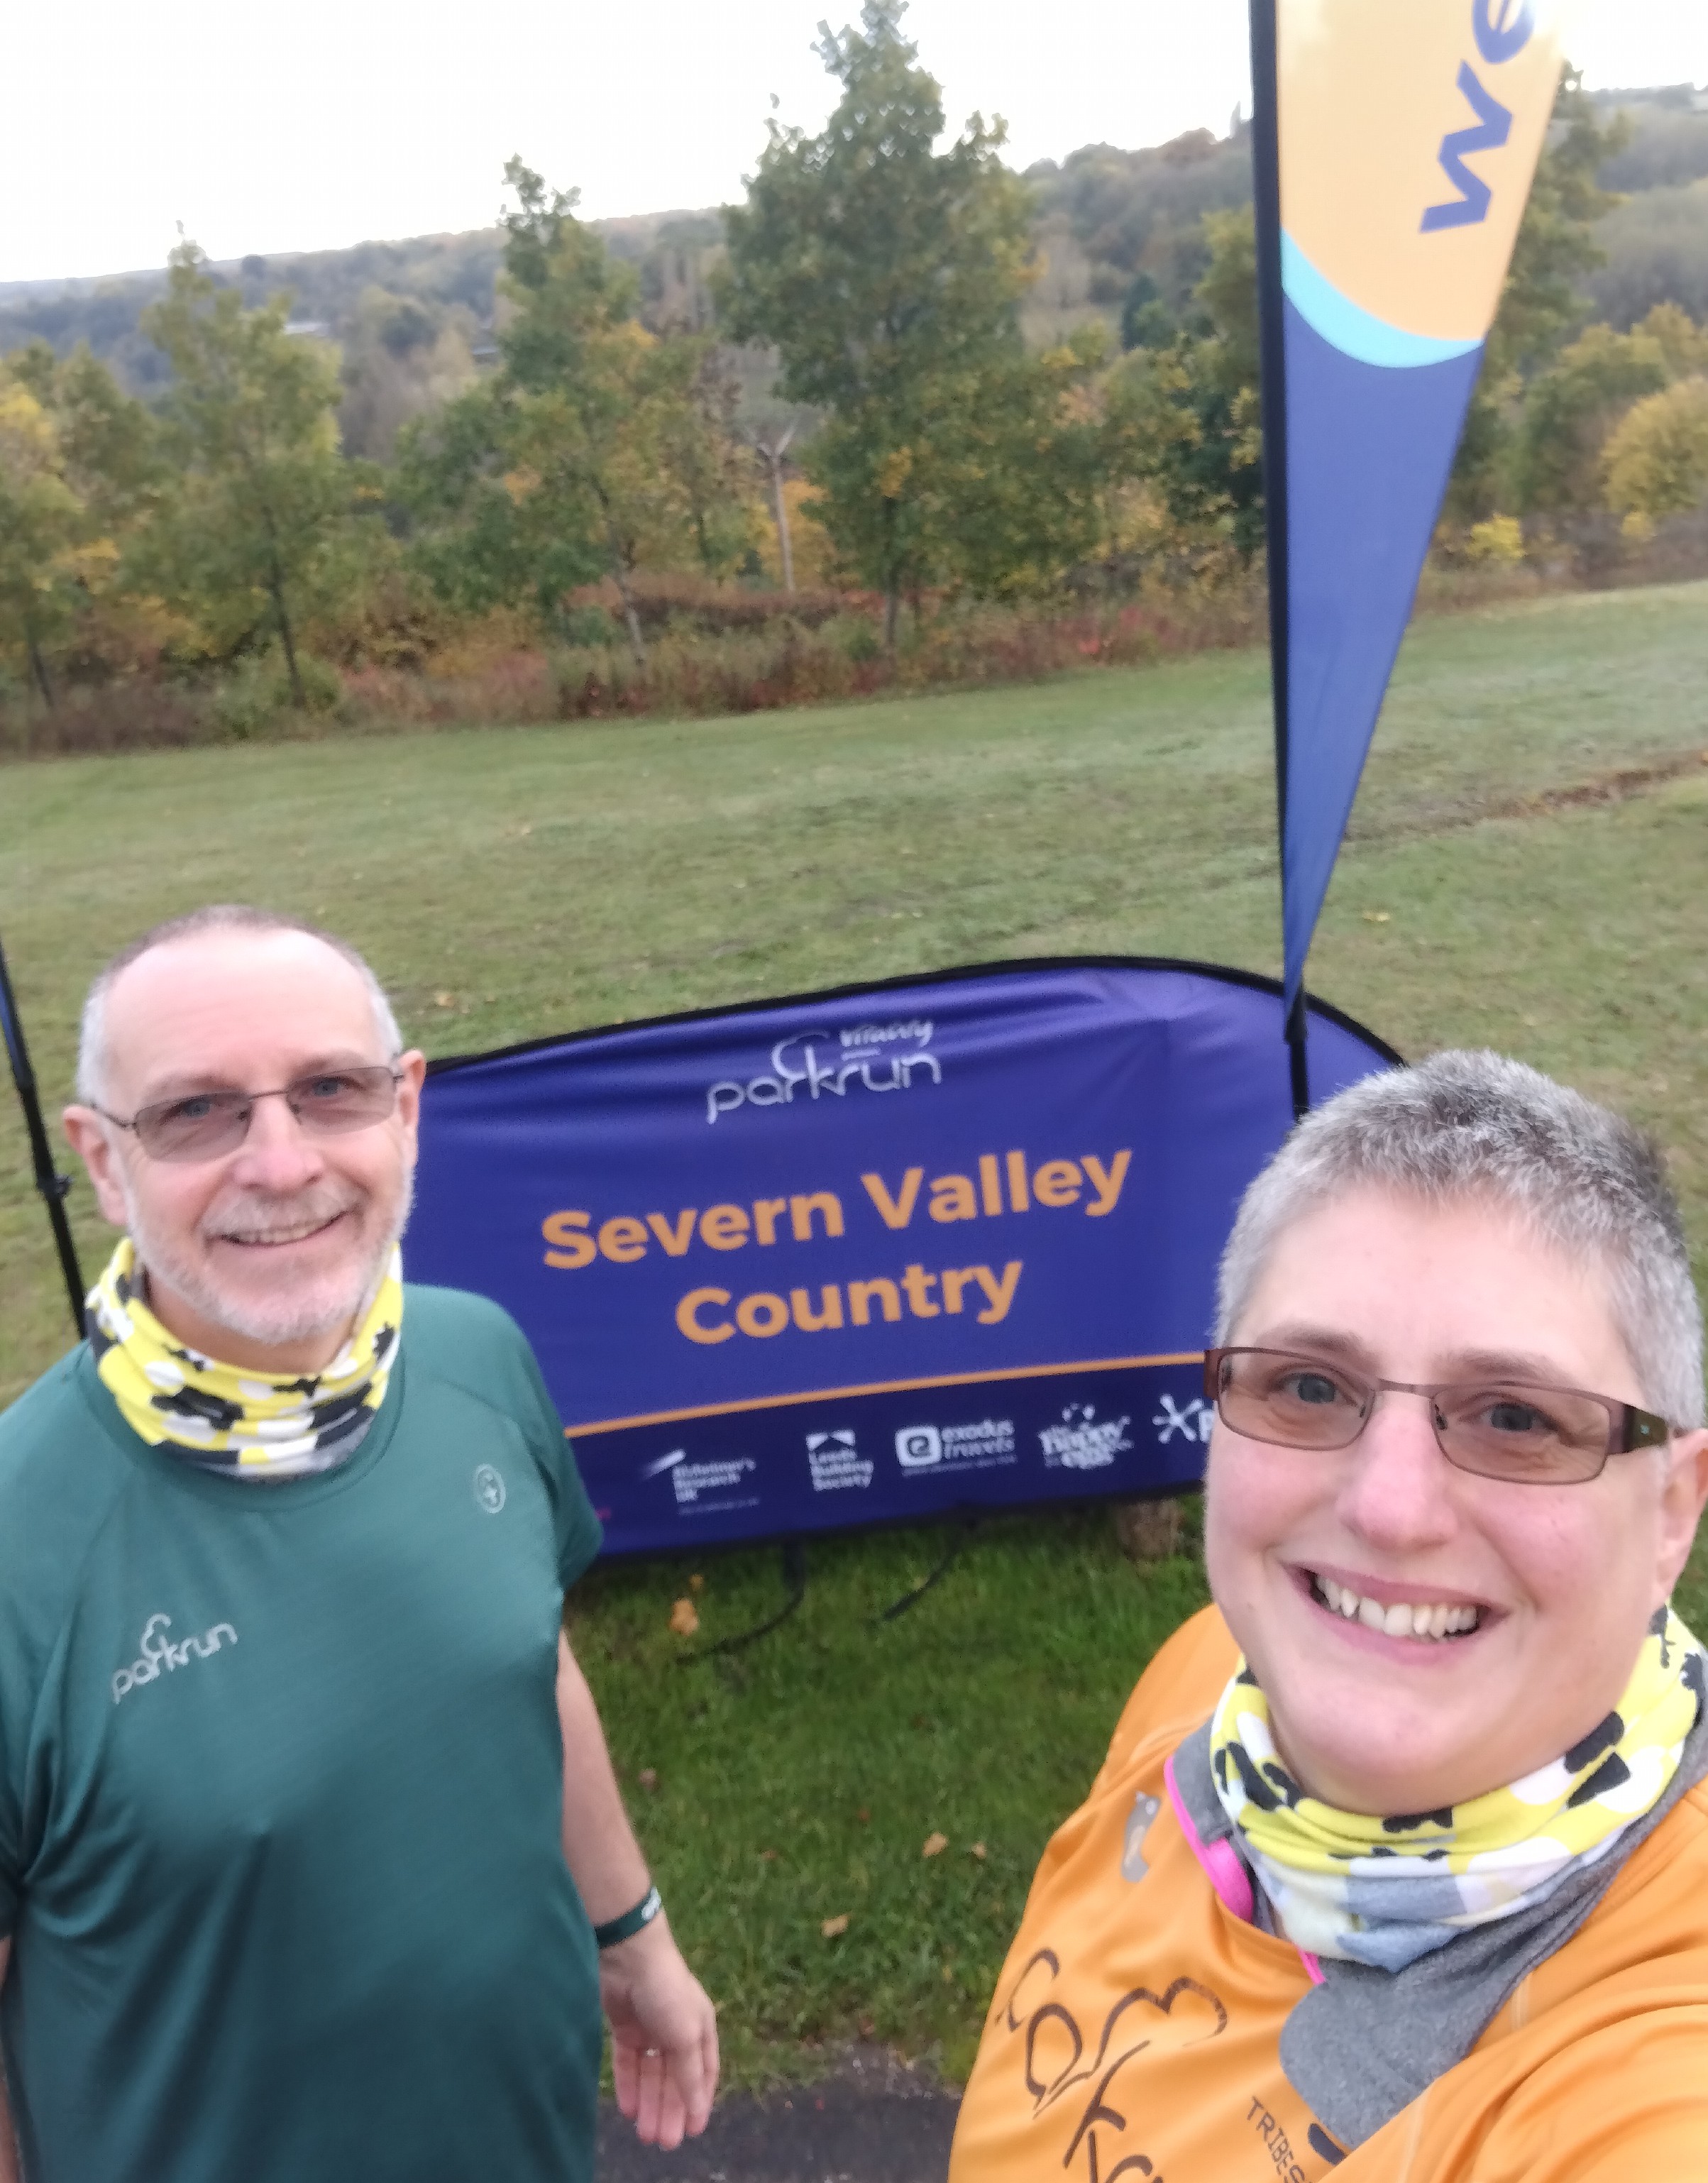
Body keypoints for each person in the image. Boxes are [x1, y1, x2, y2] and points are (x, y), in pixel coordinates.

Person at [0, 905, 718, 2183]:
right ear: (102, 1162)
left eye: (331, 1090)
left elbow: (532, 1662)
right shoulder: (21, 1537)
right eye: (197, 1112)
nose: (281, 1165)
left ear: (407, 1109)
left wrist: (634, 1936)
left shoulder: (477, 1357)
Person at [949, 1050, 1708, 2182]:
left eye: (1514, 1417)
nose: (1389, 1509)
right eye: (1308, 1387)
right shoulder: (1210, 1671)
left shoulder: (1653, 2085)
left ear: (1671, 1513)